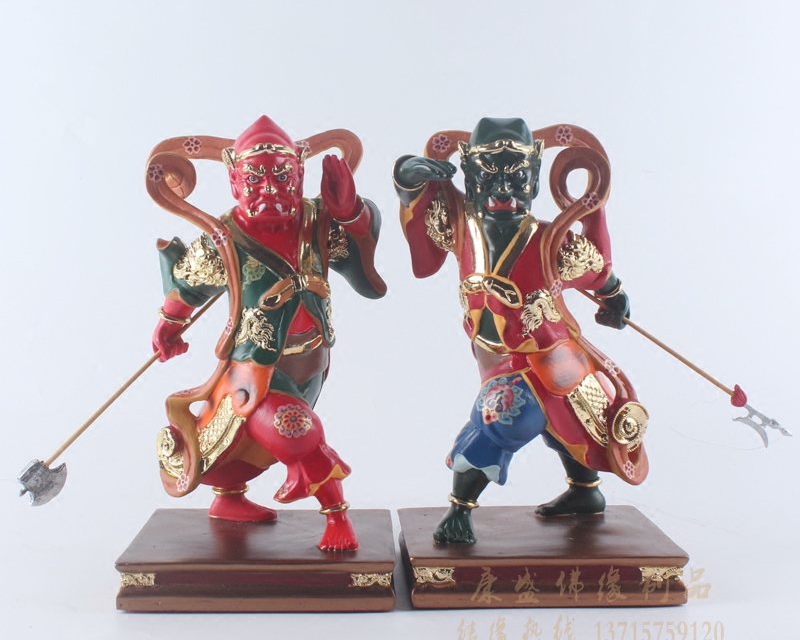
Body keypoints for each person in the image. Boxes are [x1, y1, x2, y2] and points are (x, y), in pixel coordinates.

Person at [393, 117, 649, 544]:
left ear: (534, 180)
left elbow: (598, 272)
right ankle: (585, 492)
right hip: (494, 354)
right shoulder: (461, 227)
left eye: (515, 178)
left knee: (502, 419)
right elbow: (422, 219)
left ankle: (460, 510)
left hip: (548, 356)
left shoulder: (552, 241)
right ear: (469, 178)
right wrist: (409, 179)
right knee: (560, 426)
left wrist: (615, 297)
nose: (502, 191)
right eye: (488, 178)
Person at [147, 116, 386, 550]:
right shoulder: (223, 238)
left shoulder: (317, 223)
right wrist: (170, 324)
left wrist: (351, 210)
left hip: (312, 360)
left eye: (282, 177)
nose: (270, 190)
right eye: (254, 179)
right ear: (234, 183)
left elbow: (363, 268)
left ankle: (229, 498)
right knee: (294, 430)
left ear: (300, 176)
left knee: (251, 443)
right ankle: (336, 517)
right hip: (256, 367)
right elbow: (187, 284)